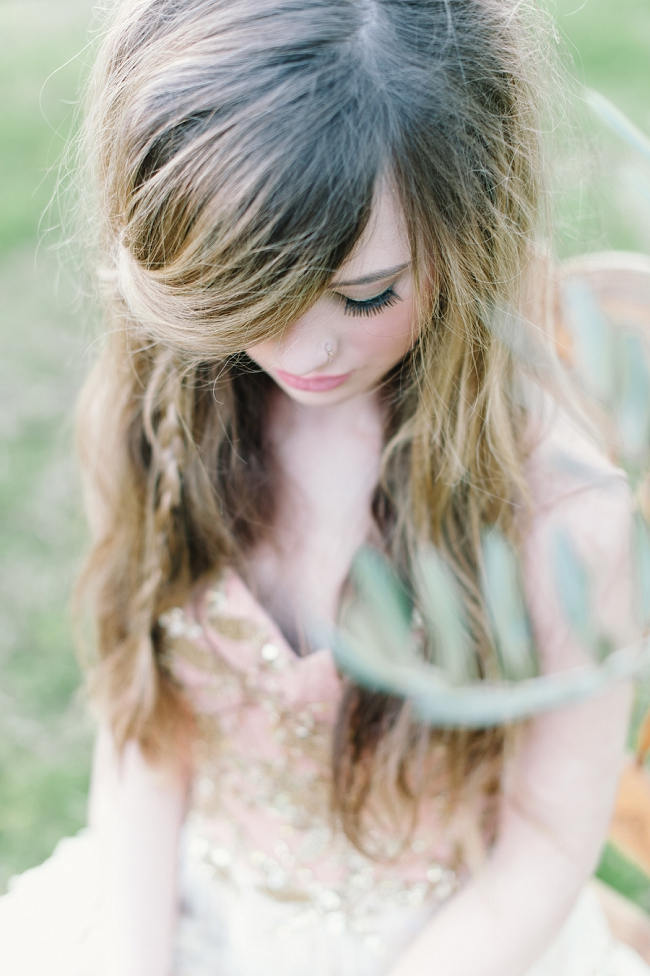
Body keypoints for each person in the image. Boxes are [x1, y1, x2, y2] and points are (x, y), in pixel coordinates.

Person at [1, 0, 649, 974]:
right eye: (247, 291)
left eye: (365, 293)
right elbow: (145, 733)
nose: (300, 349)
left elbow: (545, 844)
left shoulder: (561, 512)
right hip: (182, 908)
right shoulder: (174, 405)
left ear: (469, 221)